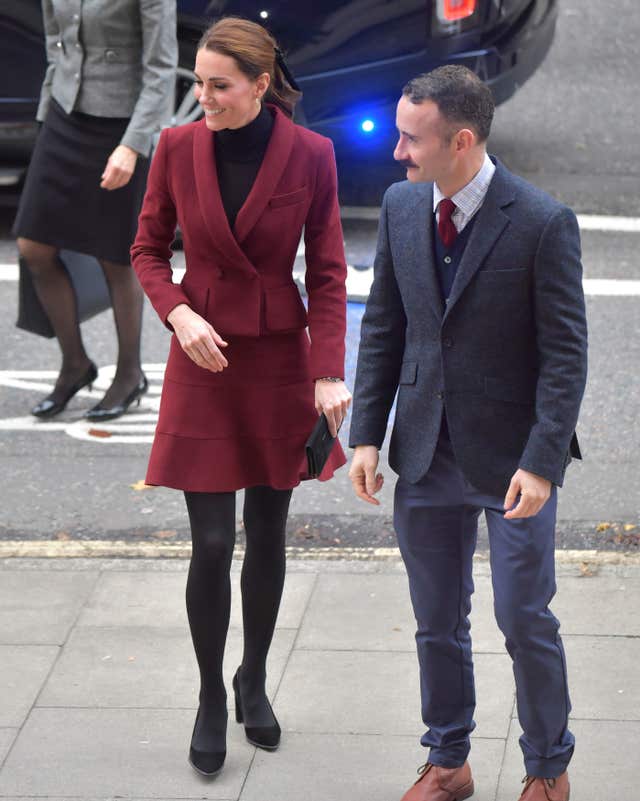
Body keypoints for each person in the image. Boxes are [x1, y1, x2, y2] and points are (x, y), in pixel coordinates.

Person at [348, 65, 587, 801]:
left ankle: (548, 767)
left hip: (513, 461)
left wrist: (543, 463)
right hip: (424, 449)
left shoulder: (543, 221)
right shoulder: (399, 206)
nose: (397, 153)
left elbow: (565, 356)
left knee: (523, 615)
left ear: (460, 140)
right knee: (435, 621)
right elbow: (386, 323)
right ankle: (449, 759)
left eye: (409, 139)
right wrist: (365, 434)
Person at [131, 16, 351, 778]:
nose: (204, 97)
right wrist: (179, 309)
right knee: (212, 543)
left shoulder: (312, 155)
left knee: (267, 532)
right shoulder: (176, 146)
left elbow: (327, 270)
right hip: (203, 356)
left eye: (218, 85)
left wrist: (328, 370)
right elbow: (147, 248)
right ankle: (206, 694)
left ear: (261, 85)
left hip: (277, 362)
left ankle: (251, 676)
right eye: (198, 81)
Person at [14, 0, 177, 420]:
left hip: (121, 125)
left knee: (115, 255)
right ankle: (75, 364)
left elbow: (161, 68)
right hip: (64, 115)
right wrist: (46, 114)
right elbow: (58, 43)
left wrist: (133, 144)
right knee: (34, 245)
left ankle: (128, 374)